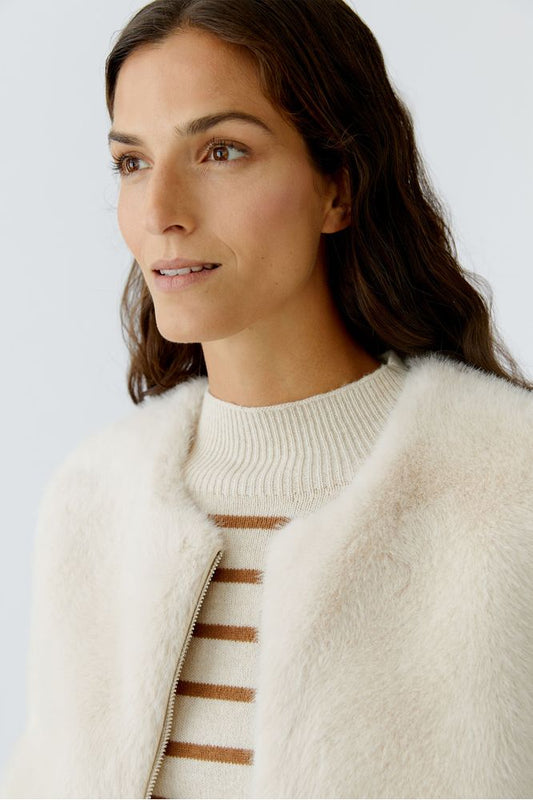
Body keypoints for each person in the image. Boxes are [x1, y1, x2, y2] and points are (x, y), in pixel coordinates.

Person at [2, 0, 532, 798]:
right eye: (131, 162)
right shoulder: (95, 501)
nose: (160, 213)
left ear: (338, 188)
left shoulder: (508, 493)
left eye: (221, 151)